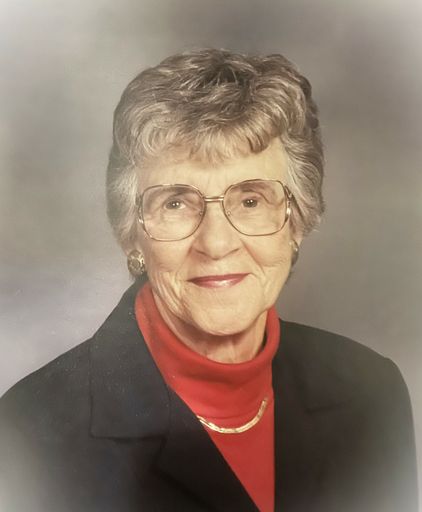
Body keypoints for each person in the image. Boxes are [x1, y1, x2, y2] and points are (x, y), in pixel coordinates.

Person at [0, 48, 418, 512]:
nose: (216, 244)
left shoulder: (370, 394)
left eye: (251, 201)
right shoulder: (29, 438)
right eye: (176, 203)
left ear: (297, 221)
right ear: (132, 234)